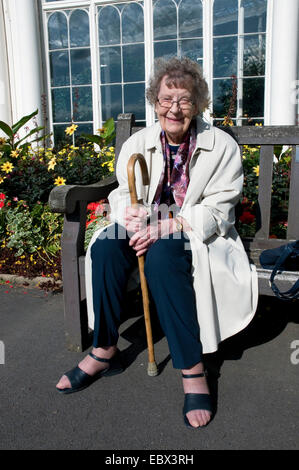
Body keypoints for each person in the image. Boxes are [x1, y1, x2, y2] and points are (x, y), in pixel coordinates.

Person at [56, 57, 258, 428]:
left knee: (165, 255)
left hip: (193, 232)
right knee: (104, 247)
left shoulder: (221, 146)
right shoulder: (139, 142)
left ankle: (192, 368)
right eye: (166, 99)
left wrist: (173, 224)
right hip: (145, 225)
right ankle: (104, 349)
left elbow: (221, 208)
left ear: (197, 104)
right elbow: (120, 192)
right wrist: (126, 214)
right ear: (155, 101)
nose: (174, 109)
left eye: (183, 100)